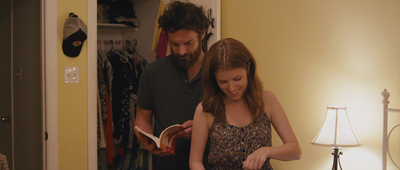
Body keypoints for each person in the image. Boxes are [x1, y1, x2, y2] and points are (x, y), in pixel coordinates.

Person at [189, 38, 302, 170]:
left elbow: (295, 150)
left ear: (248, 68)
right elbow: (195, 162)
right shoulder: (205, 109)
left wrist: (266, 151)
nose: (232, 88)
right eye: (223, 82)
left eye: (237, 79)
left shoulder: (267, 100)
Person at [133, 1, 210, 170]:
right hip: (167, 164)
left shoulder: (219, 71)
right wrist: (148, 142)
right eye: (175, 44)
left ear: (202, 34)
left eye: (188, 43)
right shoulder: (152, 72)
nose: (181, 51)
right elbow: (142, 119)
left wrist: (202, 129)